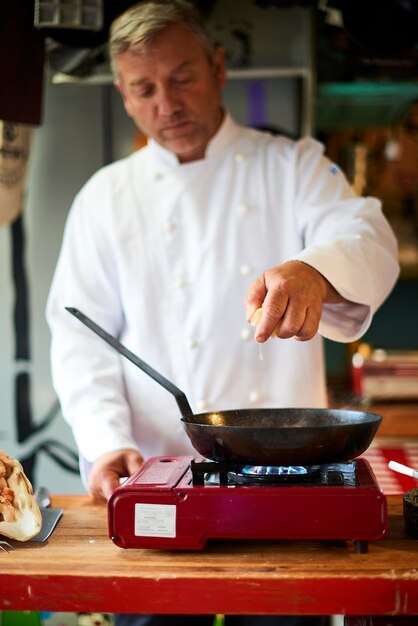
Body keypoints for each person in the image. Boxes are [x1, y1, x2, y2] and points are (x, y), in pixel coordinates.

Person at [46, 1, 399, 625]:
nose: (167, 104)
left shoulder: (292, 166)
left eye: (181, 77)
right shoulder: (104, 199)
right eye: (144, 88)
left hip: (290, 486)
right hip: (158, 475)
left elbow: (368, 238)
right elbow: (82, 343)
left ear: (216, 68)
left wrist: (315, 269)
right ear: (125, 97)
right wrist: (106, 443)